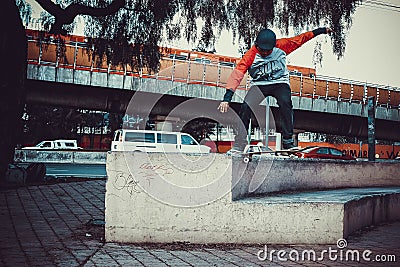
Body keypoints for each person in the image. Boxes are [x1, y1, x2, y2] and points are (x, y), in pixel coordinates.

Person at [218, 27, 333, 150]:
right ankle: (240, 143)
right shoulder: (251, 55)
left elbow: (301, 39)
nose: (265, 53)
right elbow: (237, 74)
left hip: (280, 83)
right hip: (259, 84)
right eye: (262, 51)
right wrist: (227, 98)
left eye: (268, 51)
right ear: (257, 45)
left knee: (285, 103)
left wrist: (321, 30)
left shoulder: (283, 45)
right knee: (246, 106)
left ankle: (288, 142)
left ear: (274, 46)